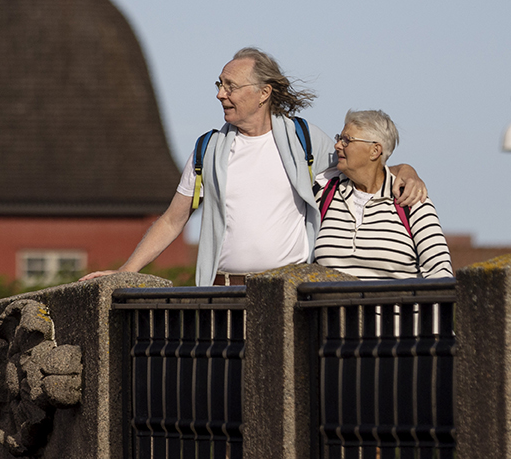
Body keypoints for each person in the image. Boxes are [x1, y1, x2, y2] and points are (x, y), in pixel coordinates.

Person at [92, 47, 424, 286]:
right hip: (226, 293)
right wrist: (126, 271)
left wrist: (407, 170)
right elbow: (171, 220)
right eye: (219, 85)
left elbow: (363, 164)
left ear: (263, 92)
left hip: (288, 293)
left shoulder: (304, 138)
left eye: (230, 86)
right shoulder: (207, 149)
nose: (221, 94)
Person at [312, 110, 452, 279]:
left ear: (375, 150)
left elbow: (440, 272)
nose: (337, 145)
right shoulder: (324, 195)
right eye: (339, 138)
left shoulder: (411, 200)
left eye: (347, 140)